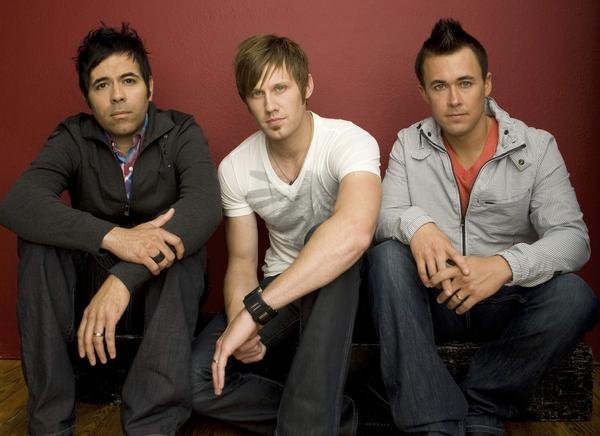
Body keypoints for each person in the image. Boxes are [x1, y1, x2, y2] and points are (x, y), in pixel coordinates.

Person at [368, 18, 599, 436]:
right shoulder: (408, 143)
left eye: (465, 83)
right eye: (440, 86)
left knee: (575, 296)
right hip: (437, 300)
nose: (454, 99)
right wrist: (419, 226)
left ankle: (483, 403)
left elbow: (573, 239)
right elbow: (383, 216)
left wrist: (504, 266)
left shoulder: (537, 146)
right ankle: (431, 418)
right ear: (423, 92)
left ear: (487, 84)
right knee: (385, 257)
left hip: (504, 302)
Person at [0, 23, 221, 436]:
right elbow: (18, 203)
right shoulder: (73, 136)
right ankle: (49, 424)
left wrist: (124, 278)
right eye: (102, 85)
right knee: (38, 242)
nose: (117, 95)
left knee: (185, 247)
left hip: (159, 291)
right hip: (88, 288)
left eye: (129, 81)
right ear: (88, 97)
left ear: (150, 88)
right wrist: (116, 238)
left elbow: (205, 207)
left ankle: (152, 423)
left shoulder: (181, 131)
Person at [191, 34, 381, 435]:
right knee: (197, 380)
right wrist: (240, 319)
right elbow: (242, 262)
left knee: (326, 238)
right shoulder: (235, 168)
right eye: (257, 94)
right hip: (281, 288)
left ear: (306, 86)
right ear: (246, 100)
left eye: (280, 88)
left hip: (349, 287)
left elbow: (355, 233)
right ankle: (333, 418)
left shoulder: (349, 141)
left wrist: (256, 311)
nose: (270, 105)